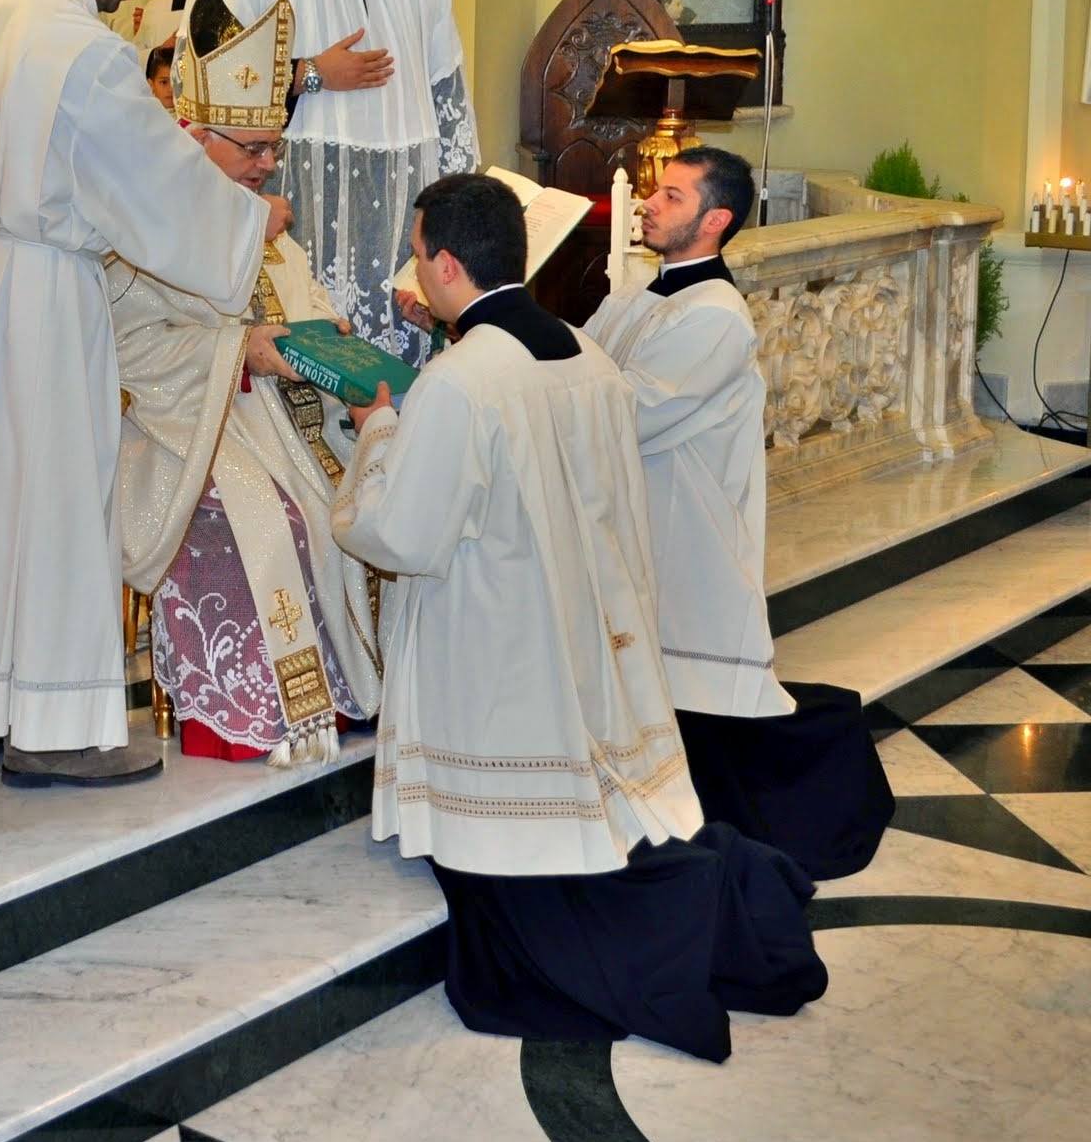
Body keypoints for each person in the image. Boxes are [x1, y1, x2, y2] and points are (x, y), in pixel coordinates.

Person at [333, 173, 825, 1063]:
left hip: (498, 648)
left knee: (527, 844)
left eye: (416, 251)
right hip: (579, 635)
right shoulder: (584, 355)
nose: (416, 264)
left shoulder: (459, 382)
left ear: (445, 265)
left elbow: (401, 534)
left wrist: (377, 434)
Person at [0, 0, 282, 784]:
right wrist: (247, 225)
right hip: (44, 292)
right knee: (63, 495)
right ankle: (56, 728)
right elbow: (148, 183)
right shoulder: (83, 50)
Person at [584, 146, 893, 880]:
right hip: (637, 527)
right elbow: (582, 372)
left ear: (715, 219)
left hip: (688, 539)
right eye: (656, 191)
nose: (651, 204)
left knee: (713, 718)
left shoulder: (718, 316)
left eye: (672, 195)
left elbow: (629, 410)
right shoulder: (635, 293)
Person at [112, 0, 380, 765]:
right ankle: (268, 712)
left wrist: (322, 335)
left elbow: (295, 293)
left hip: (282, 419)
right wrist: (244, 352)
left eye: (273, 149)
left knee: (365, 501)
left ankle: (345, 690)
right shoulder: (147, 220)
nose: (265, 166)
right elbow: (131, 349)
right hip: (181, 424)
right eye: (250, 150)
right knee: (275, 525)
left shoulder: (256, 214)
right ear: (193, 138)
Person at [189, 0, 476, 362]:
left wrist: (452, 214)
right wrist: (310, 73)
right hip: (294, 201)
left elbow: (448, 92)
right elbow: (197, 82)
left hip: (400, 206)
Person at [145, 43, 175, 112]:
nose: (171, 89)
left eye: (175, 82)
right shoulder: (144, 116)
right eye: (164, 82)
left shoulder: (192, 118)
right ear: (151, 85)